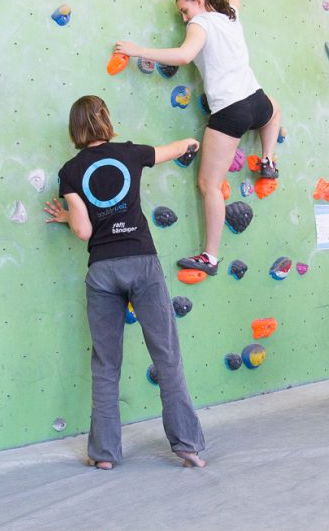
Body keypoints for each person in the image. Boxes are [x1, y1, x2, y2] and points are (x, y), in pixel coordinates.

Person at [44, 95, 206, 469]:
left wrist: (67, 216)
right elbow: (171, 150)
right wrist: (190, 143)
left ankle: (103, 455)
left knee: (105, 364)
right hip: (142, 264)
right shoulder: (130, 154)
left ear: (75, 128)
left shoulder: (70, 171)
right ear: (105, 119)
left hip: (102, 270)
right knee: (167, 357)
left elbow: (83, 230)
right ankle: (187, 447)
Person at [113, 0, 282, 277]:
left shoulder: (200, 23)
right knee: (274, 108)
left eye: (185, 10)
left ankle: (210, 256)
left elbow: (184, 56)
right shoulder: (230, 16)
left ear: (199, 2)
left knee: (208, 184)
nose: (183, 17)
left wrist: (136, 50)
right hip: (256, 102)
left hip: (230, 112)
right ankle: (268, 160)